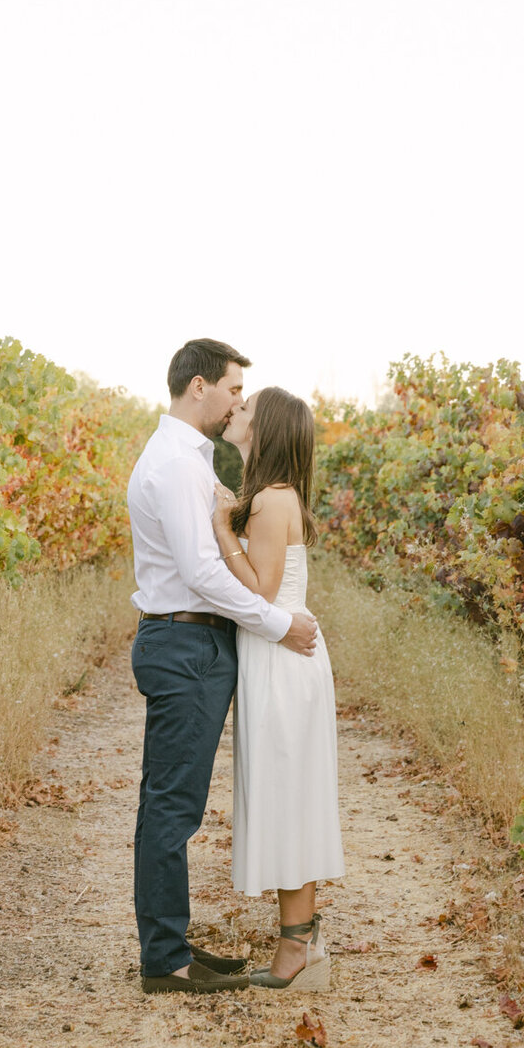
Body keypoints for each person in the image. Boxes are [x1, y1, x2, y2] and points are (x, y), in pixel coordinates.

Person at [127, 340, 320, 995]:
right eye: (235, 388)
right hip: (186, 646)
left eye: (246, 395)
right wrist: (274, 624)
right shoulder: (179, 465)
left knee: (174, 803)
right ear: (200, 386)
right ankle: (167, 961)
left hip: (198, 645)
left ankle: (172, 947)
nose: (239, 400)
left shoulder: (193, 461)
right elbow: (203, 571)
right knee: (171, 806)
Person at [213, 387, 344, 990]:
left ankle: (296, 948)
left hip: (280, 659)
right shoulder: (276, 495)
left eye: (245, 410)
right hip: (290, 659)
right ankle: (304, 936)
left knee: (288, 794)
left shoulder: (266, 500)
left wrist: (222, 532)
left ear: (264, 430)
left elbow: (259, 594)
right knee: (295, 791)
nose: (235, 413)